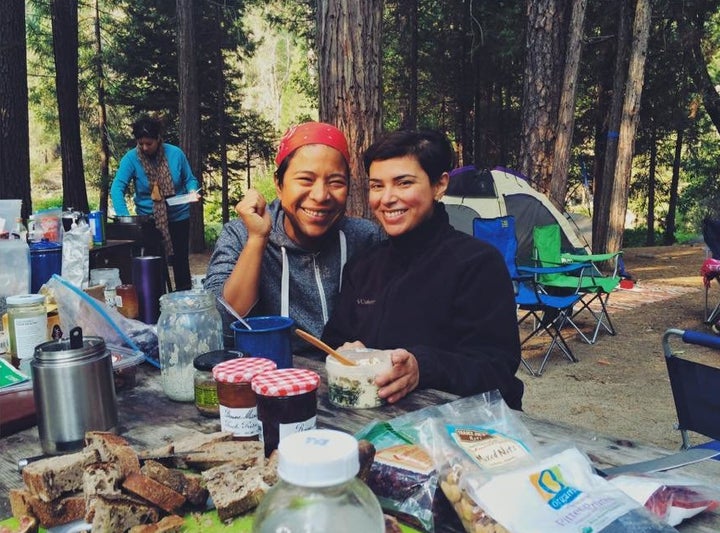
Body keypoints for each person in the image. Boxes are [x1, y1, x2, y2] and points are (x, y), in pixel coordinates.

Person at [322, 129, 524, 410]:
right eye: (377, 186)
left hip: (454, 431)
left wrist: (422, 367)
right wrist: (345, 352)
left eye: (403, 183)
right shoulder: (363, 266)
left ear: (439, 185)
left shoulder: (477, 264)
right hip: (372, 424)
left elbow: (497, 369)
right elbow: (334, 340)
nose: (387, 198)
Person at [204, 121, 383, 353]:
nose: (320, 195)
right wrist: (257, 240)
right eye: (306, 180)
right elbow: (221, 326)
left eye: (336, 182)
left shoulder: (366, 239)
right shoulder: (240, 235)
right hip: (273, 377)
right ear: (279, 184)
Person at [110, 115, 200, 291]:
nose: (144, 147)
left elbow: (190, 179)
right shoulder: (131, 159)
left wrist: (191, 191)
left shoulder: (176, 154)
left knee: (181, 262)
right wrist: (125, 218)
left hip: (178, 217)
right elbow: (117, 188)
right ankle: (157, 301)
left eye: (149, 143)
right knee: (154, 264)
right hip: (149, 221)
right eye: (141, 143)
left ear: (158, 139)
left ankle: (184, 298)